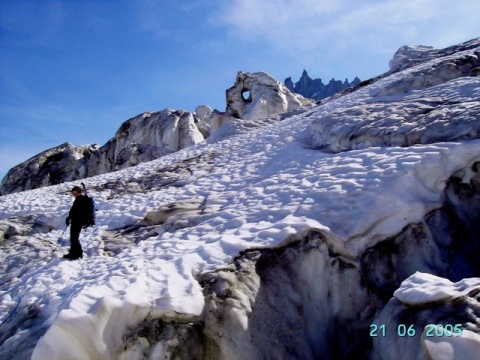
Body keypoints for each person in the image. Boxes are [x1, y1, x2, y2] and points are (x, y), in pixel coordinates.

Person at [64, 186, 91, 260]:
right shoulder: (78, 199)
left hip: (78, 221)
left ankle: (78, 254)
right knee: (73, 238)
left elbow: (79, 212)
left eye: (75, 192)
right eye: (73, 192)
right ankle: (73, 253)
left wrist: (77, 219)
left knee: (74, 238)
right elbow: (74, 211)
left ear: (79, 192)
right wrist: (69, 218)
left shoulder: (81, 200)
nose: (74, 194)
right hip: (75, 221)